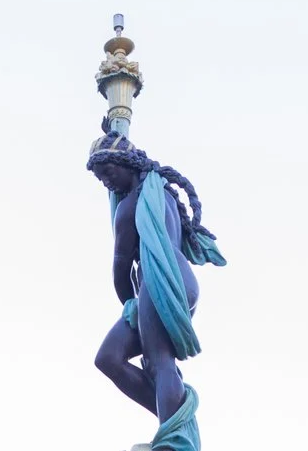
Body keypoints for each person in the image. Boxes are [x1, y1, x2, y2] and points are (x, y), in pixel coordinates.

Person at [86, 137, 224, 432]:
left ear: (127, 163)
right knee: (109, 358)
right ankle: (176, 421)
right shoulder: (161, 192)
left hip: (158, 280)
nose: (107, 182)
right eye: (100, 178)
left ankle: (173, 438)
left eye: (109, 172)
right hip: (178, 278)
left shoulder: (132, 205)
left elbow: (120, 267)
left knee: (159, 361)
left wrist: (129, 304)